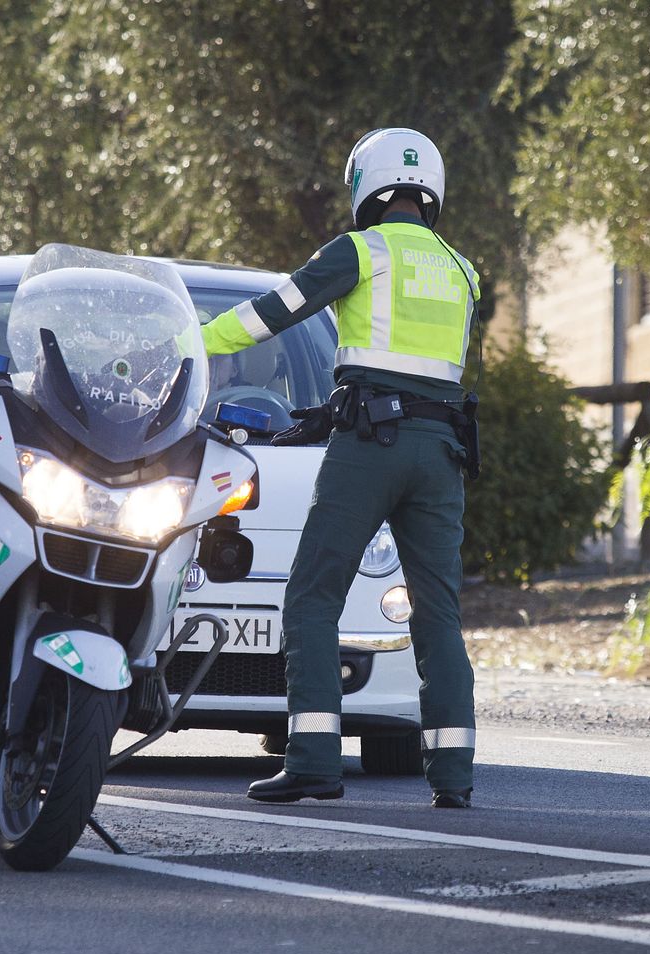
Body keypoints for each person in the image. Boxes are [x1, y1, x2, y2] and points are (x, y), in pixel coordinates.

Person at [199, 128, 480, 809]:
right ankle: (453, 778)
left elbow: (271, 316)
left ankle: (314, 761)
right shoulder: (463, 270)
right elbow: (418, 367)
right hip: (441, 453)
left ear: (366, 183)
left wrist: (183, 343)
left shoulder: (361, 250)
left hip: (370, 449)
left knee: (312, 598)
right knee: (437, 614)